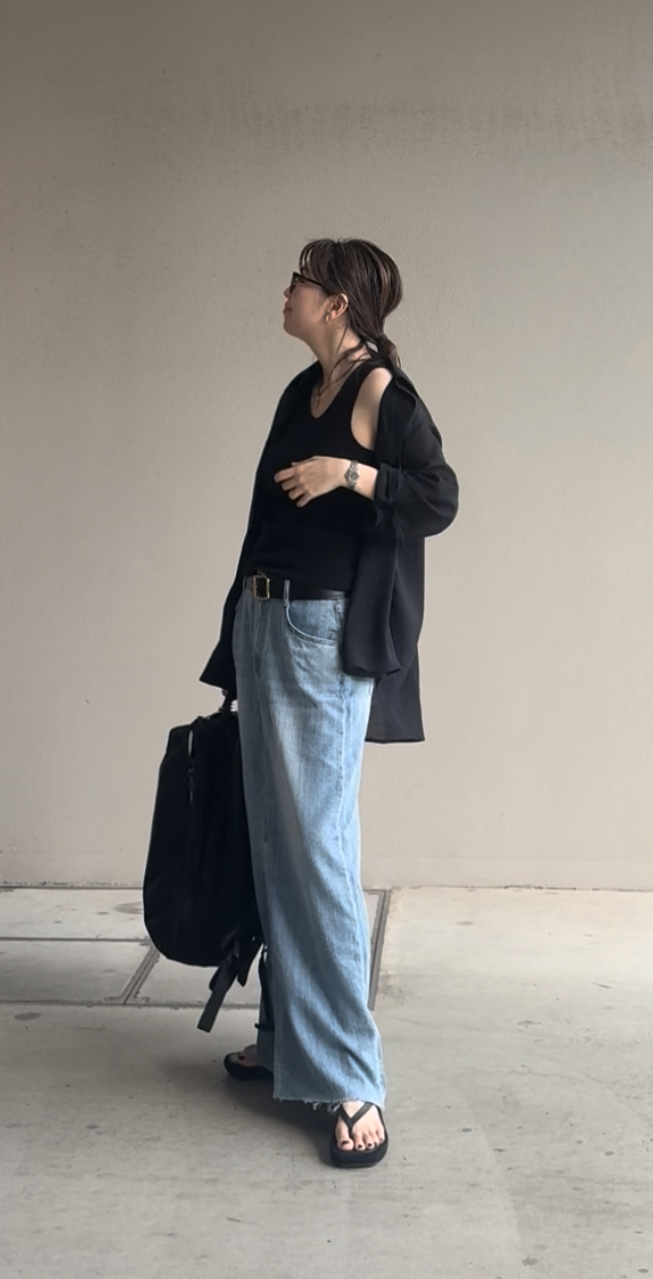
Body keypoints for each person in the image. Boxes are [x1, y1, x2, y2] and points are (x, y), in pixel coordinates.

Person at [200, 237, 458, 1169]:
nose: (286, 292)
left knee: (316, 850)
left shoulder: (380, 392)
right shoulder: (298, 393)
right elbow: (261, 519)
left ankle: (352, 1080)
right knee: (275, 845)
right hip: (266, 623)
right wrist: (235, 631)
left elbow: (438, 496)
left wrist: (348, 474)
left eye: (299, 282)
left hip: (321, 632)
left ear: (338, 303)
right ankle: (285, 1045)